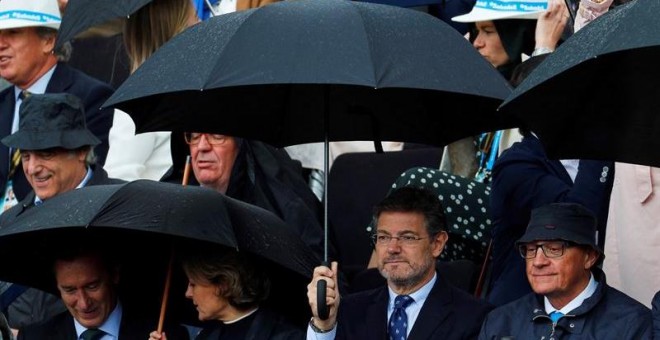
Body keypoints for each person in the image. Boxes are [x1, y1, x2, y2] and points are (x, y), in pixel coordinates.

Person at [0, 93, 124, 332]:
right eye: (26, 156)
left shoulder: (122, 206)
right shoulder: (9, 224)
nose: (34, 168)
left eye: (46, 154)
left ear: (81, 151)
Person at [306, 186, 492, 339]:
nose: (392, 248)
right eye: (384, 237)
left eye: (408, 237)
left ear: (437, 243)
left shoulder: (477, 318)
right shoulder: (349, 310)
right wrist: (324, 326)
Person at [0, 0, 115, 211]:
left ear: (49, 41)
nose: (1, 44)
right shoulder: (2, 102)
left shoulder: (91, 96)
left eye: (13, 32)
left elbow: (89, 179)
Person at [478, 202, 652, 339]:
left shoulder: (632, 325)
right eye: (530, 250)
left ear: (589, 257)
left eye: (554, 249)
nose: (538, 262)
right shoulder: (500, 322)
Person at [179, 132, 328, 260]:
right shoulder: (179, 199)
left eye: (217, 136)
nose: (202, 146)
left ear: (241, 147)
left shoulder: (282, 207)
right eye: (195, 136)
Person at [103, 0, 200, 181]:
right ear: (177, 31)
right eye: (195, 17)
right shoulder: (141, 96)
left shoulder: (192, 84)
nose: (201, 24)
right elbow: (120, 176)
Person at [16, 245, 189, 340]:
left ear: (114, 274)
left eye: (92, 286)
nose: (83, 303)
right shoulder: (33, 337)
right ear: (57, 286)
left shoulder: (166, 335)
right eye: (70, 290)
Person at [148, 249, 304, 340]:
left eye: (193, 284)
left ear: (222, 285)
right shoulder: (205, 337)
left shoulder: (283, 335)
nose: (188, 294)